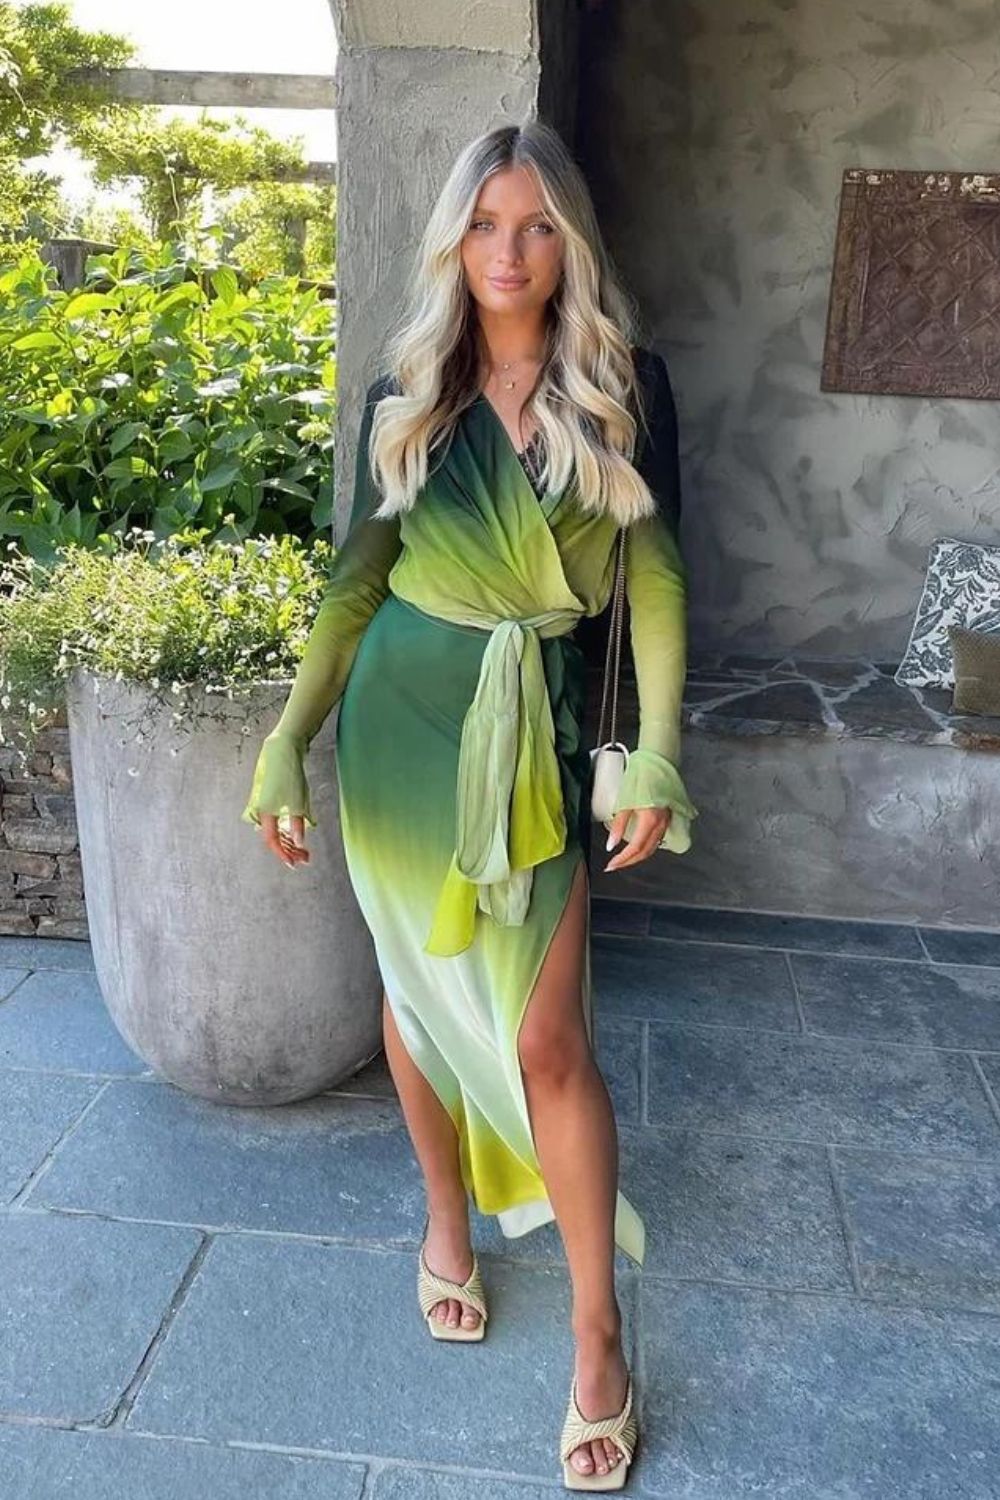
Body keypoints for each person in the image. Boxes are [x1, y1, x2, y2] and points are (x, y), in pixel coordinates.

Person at [241, 117, 698, 1491]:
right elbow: (354, 585)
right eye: (488, 224)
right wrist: (288, 739)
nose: (511, 252)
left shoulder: (622, 386)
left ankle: (599, 1337)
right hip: (397, 729)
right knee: (418, 989)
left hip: (530, 732)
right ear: (456, 237)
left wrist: (658, 750)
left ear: (571, 243)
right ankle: (444, 1212)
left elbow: (655, 579)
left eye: (538, 225)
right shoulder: (409, 388)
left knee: (548, 1035)